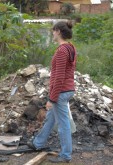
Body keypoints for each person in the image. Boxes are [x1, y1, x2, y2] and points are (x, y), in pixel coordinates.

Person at [27, 21, 77, 163]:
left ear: (59, 32)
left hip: (61, 92)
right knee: (51, 118)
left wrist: (52, 98)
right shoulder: (71, 48)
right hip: (67, 89)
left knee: (63, 125)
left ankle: (66, 155)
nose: (52, 33)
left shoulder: (62, 51)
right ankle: (38, 143)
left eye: (53, 31)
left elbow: (60, 76)